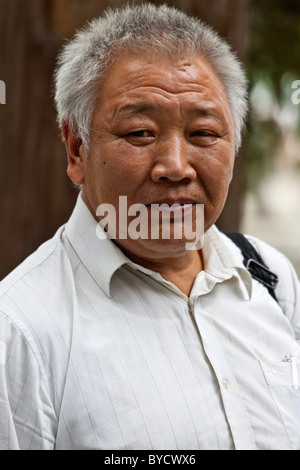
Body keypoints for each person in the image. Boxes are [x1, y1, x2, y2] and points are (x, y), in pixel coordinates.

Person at [0, 3, 300, 451]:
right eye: (140, 133)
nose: (175, 167)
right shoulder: (20, 330)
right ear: (76, 148)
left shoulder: (267, 277)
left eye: (203, 134)